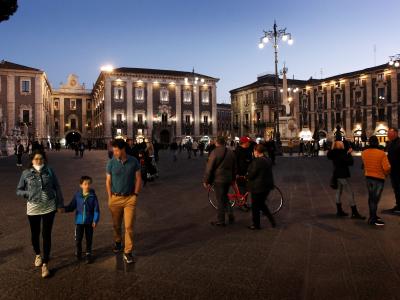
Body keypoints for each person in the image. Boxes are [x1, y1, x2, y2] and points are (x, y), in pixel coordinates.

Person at [16, 150, 64, 278]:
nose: (39, 161)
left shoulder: (49, 171)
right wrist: (28, 194)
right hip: (33, 207)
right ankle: (38, 254)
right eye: (36, 159)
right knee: (35, 234)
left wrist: (60, 204)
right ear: (32, 160)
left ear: (44, 160)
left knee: (46, 234)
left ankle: (45, 263)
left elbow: (57, 187)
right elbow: (19, 190)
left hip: (49, 206)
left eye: (41, 159)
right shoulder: (25, 173)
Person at [106, 139, 142, 264]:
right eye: (113, 150)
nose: (114, 152)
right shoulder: (111, 163)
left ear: (123, 149)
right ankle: (118, 242)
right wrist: (110, 197)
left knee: (129, 226)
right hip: (115, 198)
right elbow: (108, 181)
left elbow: (138, 178)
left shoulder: (134, 161)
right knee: (116, 225)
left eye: (116, 150)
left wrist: (135, 194)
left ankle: (128, 252)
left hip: (129, 199)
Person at [64, 176, 100, 263]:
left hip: (89, 222)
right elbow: (72, 206)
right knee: (78, 239)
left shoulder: (93, 196)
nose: (87, 186)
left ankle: (88, 254)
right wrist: (64, 209)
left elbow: (96, 209)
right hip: (79, 222)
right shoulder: (77, 195)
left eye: (88, 184)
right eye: (85, 184)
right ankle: (78, 252)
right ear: (81, 185)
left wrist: (95, 220)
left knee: (89, 239)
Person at [203, 136, 236, 226]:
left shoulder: (214, 152)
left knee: (220, 200)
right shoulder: (230, 152)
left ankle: (221, 220)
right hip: (228, 178)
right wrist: (233, 179)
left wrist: (206, 181)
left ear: (217, 143)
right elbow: (234, 167)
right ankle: (230, 214)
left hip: (219, 179)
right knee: (225, 197)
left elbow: (209, 169)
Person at [327, 141, 365, 219]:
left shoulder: (333, 153)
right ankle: (354, 212)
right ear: (340, 145)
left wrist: (346, 153)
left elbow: (337, 159)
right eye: (342, 144)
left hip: (336, 174)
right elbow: (349, 162)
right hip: (342, 175)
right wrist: (348, 153)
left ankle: (339, 211)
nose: (343, 145)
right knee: (350, 192)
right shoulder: (341, 153)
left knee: (338, 192)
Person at [361, 136, 391, 226]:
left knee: (371, 198)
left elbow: (364, 164)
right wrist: (386, 174)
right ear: (377, 142)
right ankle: (373, 219)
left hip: (368, 177)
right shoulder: (381, 153)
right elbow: (387, 167)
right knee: (375, 199)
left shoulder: (364, 152)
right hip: (378, 178)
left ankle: (373, 215)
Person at [247, 144, 276, 230]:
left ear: (256, 151)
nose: (253, 153)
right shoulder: (268, 159)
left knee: (255, 207)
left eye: (254, 151)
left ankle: (256, 225)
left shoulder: (257, 161)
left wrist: (247, 175)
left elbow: (252, 174)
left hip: (258, 187)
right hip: (267, 186)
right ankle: (272, 220)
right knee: (262, 204)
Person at [235, 137, 253, 209]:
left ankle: (244, 203)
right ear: (244, 143)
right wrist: (236, 173)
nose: (249, 143)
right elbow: (235, 163)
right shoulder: (238, 150)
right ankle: (241, 204)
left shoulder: (248, 149)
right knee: (242, 189)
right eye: (248, 142)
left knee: (246, 189)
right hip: (240, 173)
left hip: (247, 172)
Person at [386, 128, 400, 214]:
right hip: (393, 170)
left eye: (389, 133)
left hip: (398, 170)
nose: (387, 135)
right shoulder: (391, 143)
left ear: (395, 133)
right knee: (396, 188)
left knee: (398, 188)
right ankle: (398, 205)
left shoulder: (399, 143)